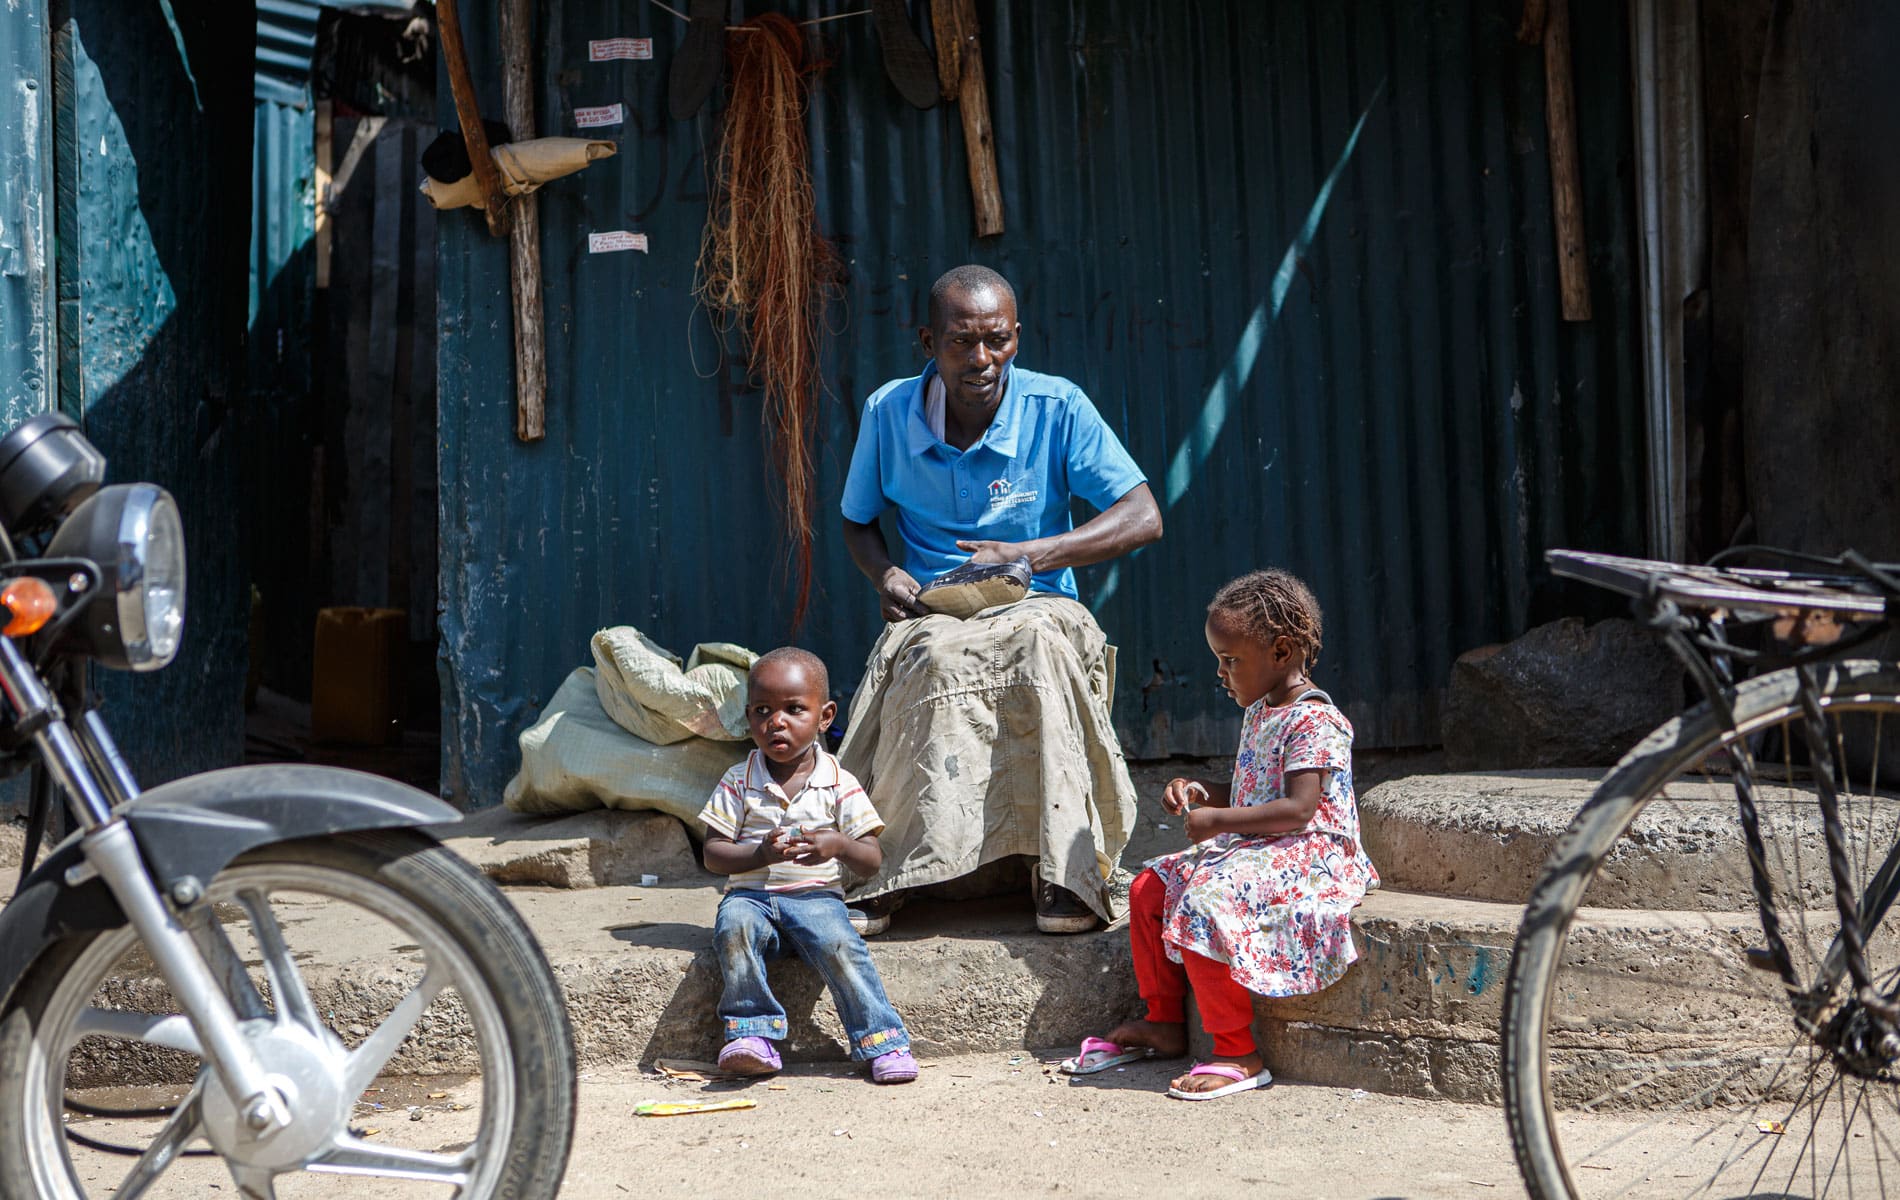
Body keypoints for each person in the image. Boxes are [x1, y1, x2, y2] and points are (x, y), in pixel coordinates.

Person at [837, 264, 1163, 935]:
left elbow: (1143, 514)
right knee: (924, 654)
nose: (983, 359)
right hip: (936, 606)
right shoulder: (888, 412)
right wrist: (886, 577)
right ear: (928, 340)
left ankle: (1065, 872)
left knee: (1037, 646)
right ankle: (886, 870)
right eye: (962, 342)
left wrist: (1033, 556)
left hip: (1041, 600)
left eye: (999, 340)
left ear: (1016, 337)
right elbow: (856, 521)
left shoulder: (1057, 406)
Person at [1059, 570, 1379, 1099]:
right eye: (1219, 660)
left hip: (1312, 853)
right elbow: (1253, 788)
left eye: (1231, 660)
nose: (1221, 673)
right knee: (1149, 888)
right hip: (1262, 843)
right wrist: (1204, 791)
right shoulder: (1261, 709)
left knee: (1206, 902)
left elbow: (1300, 809)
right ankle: (1164, 1020)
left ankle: (1238, 1051)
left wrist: (1218, 823)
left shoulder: (1316, 720)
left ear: (1281, 651)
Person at [698, 647, 919, 1084]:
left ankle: (883, 1041)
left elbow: (872, 860)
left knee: (842, 944)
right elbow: (713, 853)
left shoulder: (840, 782)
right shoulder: (737, 781)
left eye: (794, 709)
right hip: (752, 898)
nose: (776, 722)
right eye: (762, 711)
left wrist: (837, 844)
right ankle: (751, 1034)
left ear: (825, 716)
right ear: (748, 718)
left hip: (816, 898)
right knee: (733, 928)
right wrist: (758, 854)